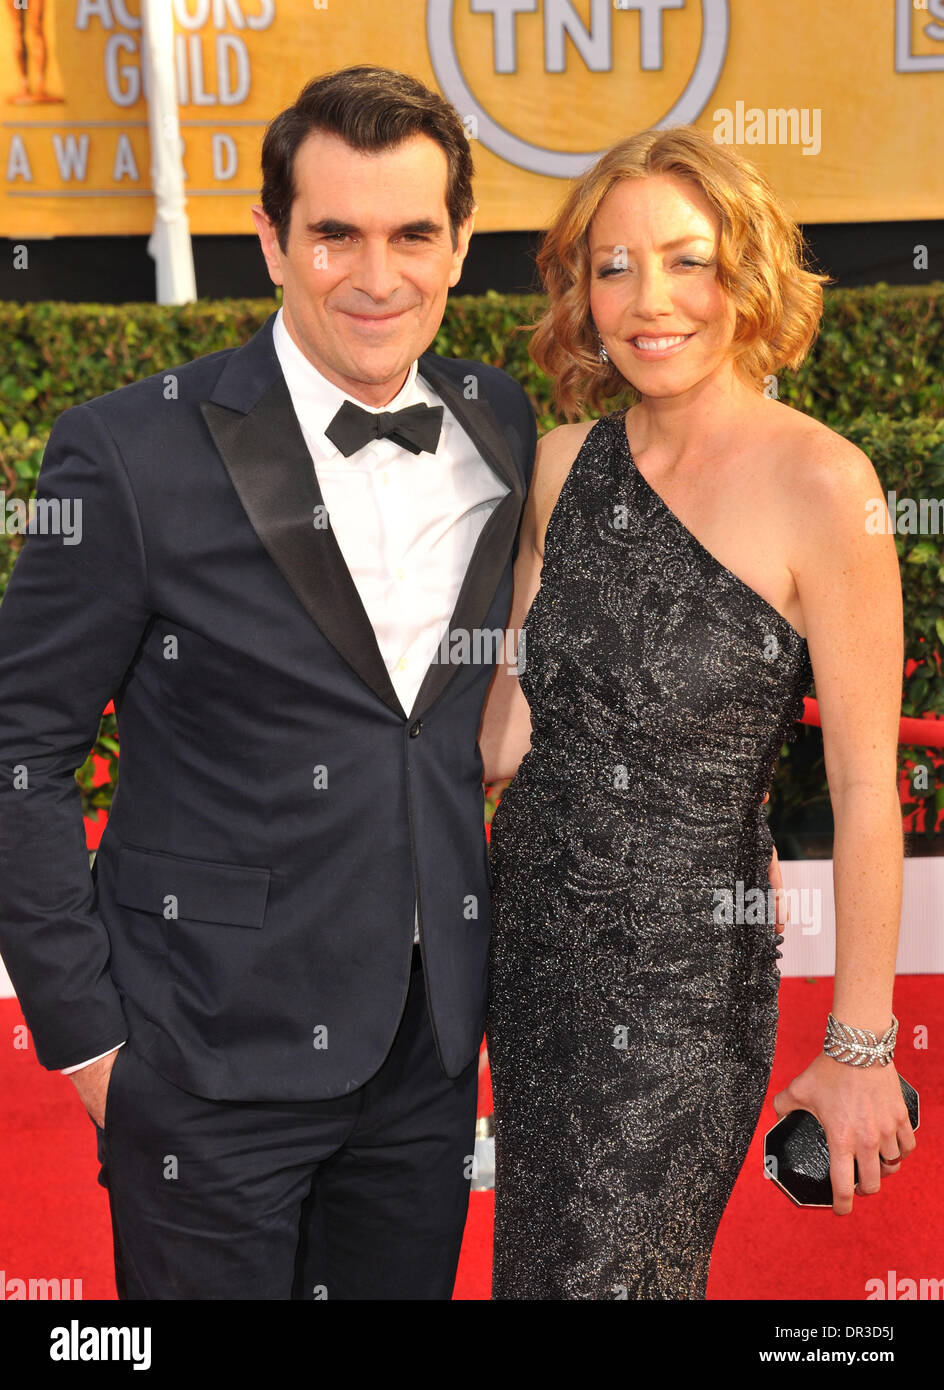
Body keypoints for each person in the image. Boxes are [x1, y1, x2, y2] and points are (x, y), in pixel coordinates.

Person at [0, 65, 536, 1300]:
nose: (375, 275)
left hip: (426, 1051)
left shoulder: (494, 419)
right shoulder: (129, 451)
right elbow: (22, 750)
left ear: (460, 245)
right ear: (270, 243)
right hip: (200, 1054)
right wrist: (90, 1046)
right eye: (333, 233)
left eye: (412, 234)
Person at [478, 125, 915, 1300]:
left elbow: (868, 788)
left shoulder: (822, 485)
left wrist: (858, 1045)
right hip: (526, 955)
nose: (646, 299)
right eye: (610, 265)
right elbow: (507, 730)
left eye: (687, 260)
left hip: (681, 982)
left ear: (748, 276)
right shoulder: (560, 468)